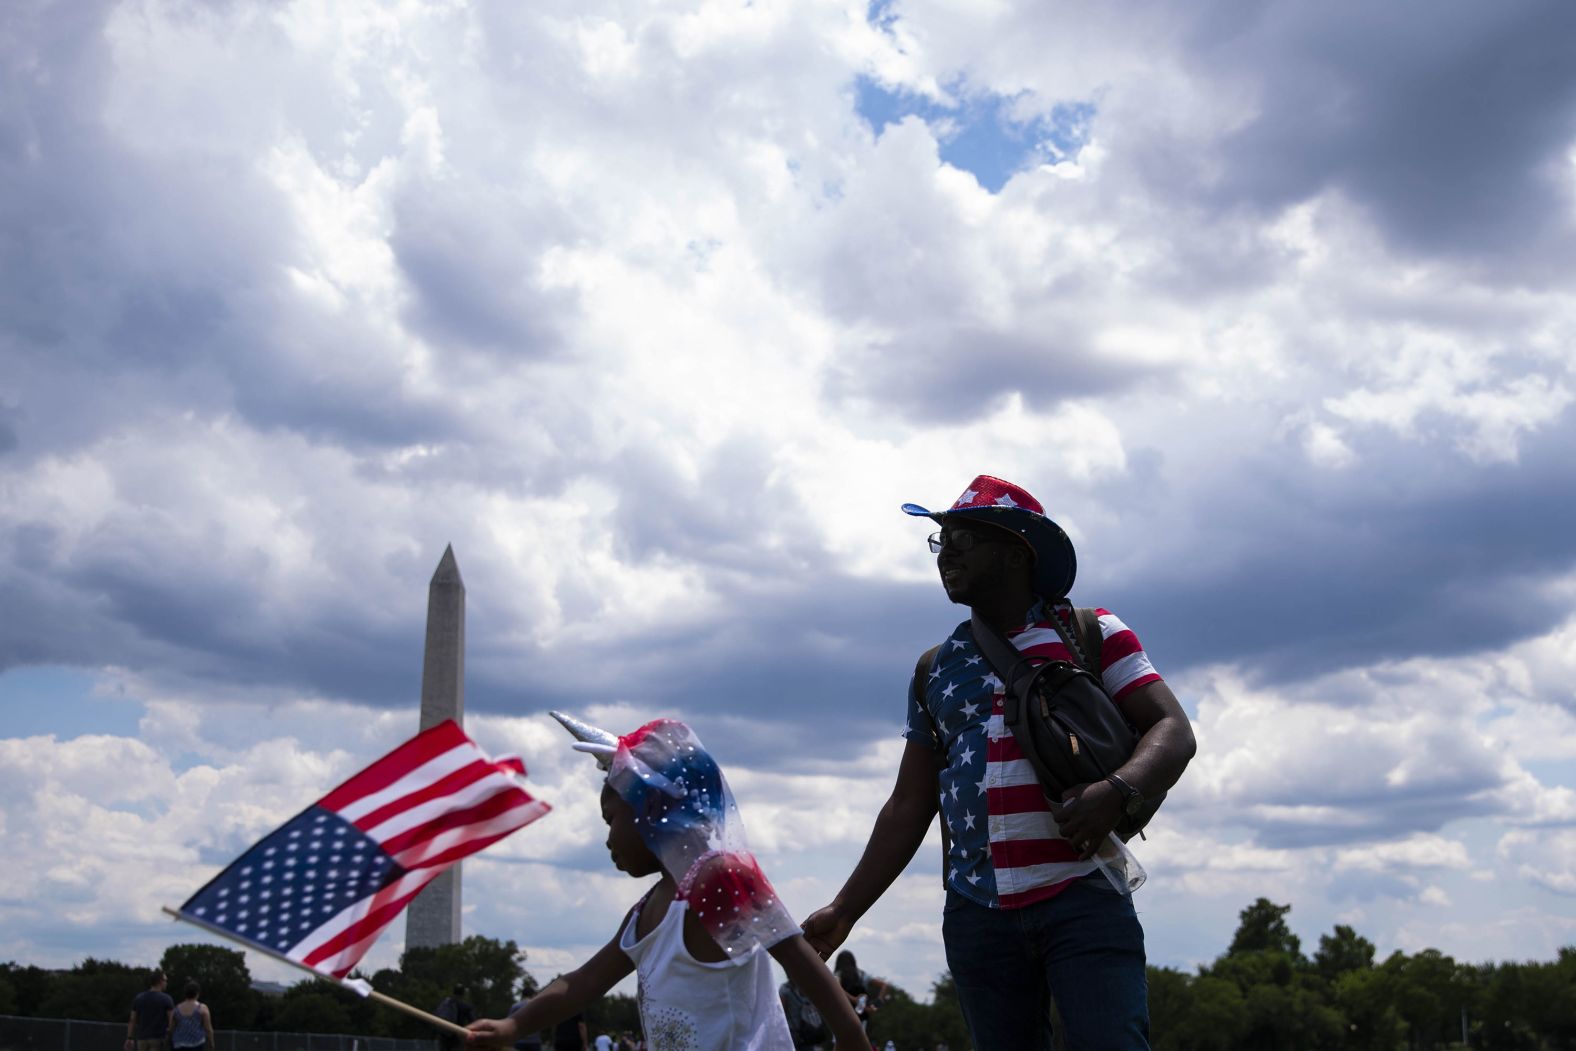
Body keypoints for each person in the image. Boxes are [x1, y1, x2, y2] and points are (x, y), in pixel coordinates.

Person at [803, 476, 1197, 1050]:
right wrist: (845, 910)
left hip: (1082, 893)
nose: (947, 555)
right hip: (978, 913)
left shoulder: (1090, 633)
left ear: (1018, 553)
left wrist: (1117, 789)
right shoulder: (935, 667)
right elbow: (910, 805)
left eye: (964, 538)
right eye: (942, 542)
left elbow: (1173, 730)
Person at [467, 716, 866, 1051]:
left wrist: (851, 1039)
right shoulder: (649, 910)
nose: (607, 839)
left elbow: (798, 959)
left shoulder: (718, 882)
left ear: (652, 810)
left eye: (611, 820)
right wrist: (513, 1027)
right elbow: (584, 982)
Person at [830, 951, 886, 1031]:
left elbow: (838, 989)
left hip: (842, 1013)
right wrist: (878, 1001)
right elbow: (884, 985)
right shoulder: (862, 975)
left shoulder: (838, 974)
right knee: (859, 1038)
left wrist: (854, 999)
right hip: (861, 1014)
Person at [125, 970, 173, 1051]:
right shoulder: (166, 999)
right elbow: (171, 1021)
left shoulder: (139, 998)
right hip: (158, 1038)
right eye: (165, 980)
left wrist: (129, 1037)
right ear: (160, 981)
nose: (166, 983)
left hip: (142, 1039)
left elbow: (132, 1020)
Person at [779, 976, 829, 1050]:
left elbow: (781, 1014)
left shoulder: (785, 989)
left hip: (794, 1032)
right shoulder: (809, 987)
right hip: (812, 1030)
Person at [168, 981, 215, 1051]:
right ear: (197, 993)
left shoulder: (176, 1009)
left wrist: (169, 1042)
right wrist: (211, 1043)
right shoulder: (202, 1008)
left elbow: (171, 1028)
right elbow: (208, 1029)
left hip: (179, 1044)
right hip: (196, 1044)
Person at [437, 986, 476, 1051]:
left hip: (444, 1035)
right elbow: (474, 1022)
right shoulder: (466, 1006)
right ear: (463, 994)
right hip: (458, 1036)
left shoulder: (446, 1003)